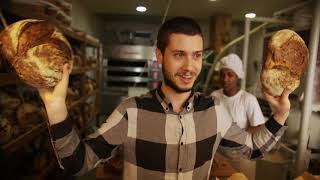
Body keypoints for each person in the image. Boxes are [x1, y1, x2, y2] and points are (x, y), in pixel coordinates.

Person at [38, 17, 291, 180]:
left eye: (196, 55)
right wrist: (56, 106)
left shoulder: (215, 111)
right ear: (159, 56)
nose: (190, 66)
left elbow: (252, 148)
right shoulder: (131, 112)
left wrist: (280, 114)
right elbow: (77, 163)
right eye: (179, 55)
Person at [210, 53, 265, 180]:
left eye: (230, 75)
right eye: (222, 74)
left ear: (238, 77)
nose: (225, 79)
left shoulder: (247, 99)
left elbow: (259, 126)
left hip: (242, 156)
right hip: (219, 154)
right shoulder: (214, 96)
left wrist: (236, 137)